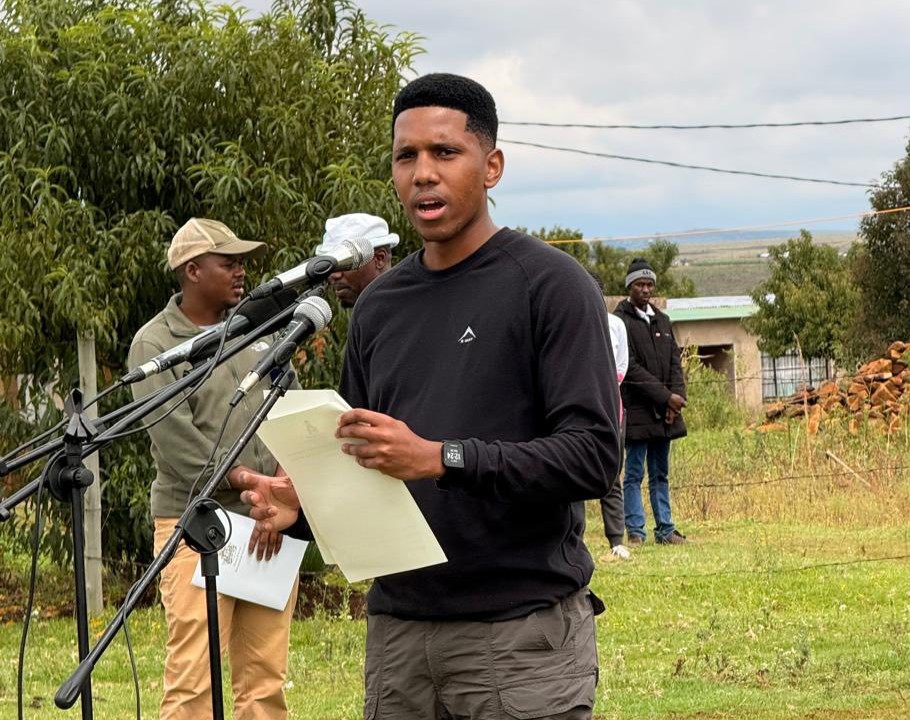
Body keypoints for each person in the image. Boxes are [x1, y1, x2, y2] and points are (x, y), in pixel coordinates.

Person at [236, 73, 620, 719]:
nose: (422, 174)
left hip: (518, 634)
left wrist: (443, 458)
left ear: (491, 165)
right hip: (399, 636)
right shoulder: (381, 304)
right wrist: (299, 501)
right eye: (405, 156)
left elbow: (591, 457)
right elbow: (355, 450)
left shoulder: (550, 285)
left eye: (445, 153)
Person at [127, 218, 297, 720]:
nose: (242, 272)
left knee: (264, 682)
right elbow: (178, 443)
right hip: (195, 527)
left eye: (243, 262)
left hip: (268, 525)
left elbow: (287, 409)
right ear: (193, 270)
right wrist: (250, 483)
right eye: (230, 263)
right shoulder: (155, 345)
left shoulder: (256, 329)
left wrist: (278, 495)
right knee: (194, 684)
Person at [613, 258, 688, 545]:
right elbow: (630, 368)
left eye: (649, 285)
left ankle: (666, 530)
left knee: (660, 472)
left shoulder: (663, 321)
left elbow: (674, 363)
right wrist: (665, 396)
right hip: (638, 409)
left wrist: (675, 401)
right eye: (639, 284)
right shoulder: (621, 321)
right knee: (633, 472)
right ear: (629, 287)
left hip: (665, 412)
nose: (645, 289)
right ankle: (635, 531)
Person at [588, 272, 631, 560]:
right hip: (573, 406)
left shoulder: (615, 325)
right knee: (570, 470)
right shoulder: (567, 320)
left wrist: (604, 385)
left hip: (610, 403)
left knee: (611, 472)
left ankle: (616, 539)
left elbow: (622, 364)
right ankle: (572, 539)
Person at [322, 213, 399, 308]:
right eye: (330, 264)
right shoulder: (367, 316)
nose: (334, 275)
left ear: (379, 259)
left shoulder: (410, 310)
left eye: (345, 262)